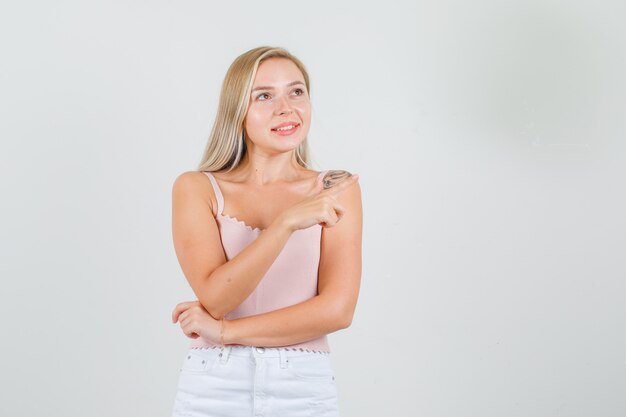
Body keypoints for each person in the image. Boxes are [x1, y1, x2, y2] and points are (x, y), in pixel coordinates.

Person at [169, 46, 362, 417]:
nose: (286, 108)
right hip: (213, 386)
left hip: (303, 385)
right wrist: (287, 222)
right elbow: (216, 298)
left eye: (296, 91)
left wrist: (225, 332)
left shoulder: (337, 188)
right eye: (264, 96)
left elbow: (337, 311)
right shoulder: (196, 188)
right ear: (237, 111)